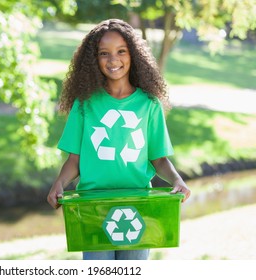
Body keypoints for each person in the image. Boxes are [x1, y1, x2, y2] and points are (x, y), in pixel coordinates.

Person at [47, 19, 191, 260]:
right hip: (92, 205)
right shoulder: (84, 104)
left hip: (137, 203)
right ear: (93, 60)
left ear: (133, 55)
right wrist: (59, 183)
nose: (113, 60)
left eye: (121, 51)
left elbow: (158, 158)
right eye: (104, 53)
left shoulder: (149, 104)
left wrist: (177, 180)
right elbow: (75, 160)